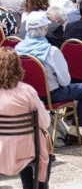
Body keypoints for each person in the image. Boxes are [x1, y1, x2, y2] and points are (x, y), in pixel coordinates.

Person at [15, 11, 82, 145]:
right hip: (49, 95)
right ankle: (74, 132)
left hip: (25, 94)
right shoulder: (51, 51)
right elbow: (65, 81)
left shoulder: (17, 49)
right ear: (45, 29)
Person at [0, 47, 52, 189]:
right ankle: (38, 186)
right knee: (44, 140)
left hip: (1, 150)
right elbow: (45, 122)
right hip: (26, 150)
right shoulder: (27, 91)